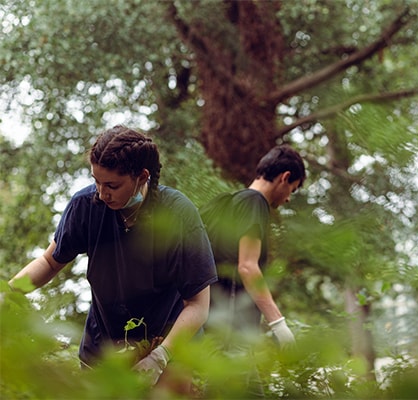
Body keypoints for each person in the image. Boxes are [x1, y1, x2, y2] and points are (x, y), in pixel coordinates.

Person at [9, 126, 218, 391]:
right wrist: (10, 292)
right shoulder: (85, 206)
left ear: (142, 176)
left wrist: (160, 356)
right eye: (96, 181)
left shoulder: (178, 215)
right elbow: (51, 261)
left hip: (167, 346)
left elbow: (198, 304)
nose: (101, 193)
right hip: (103, 349)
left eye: (112, 185)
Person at [201, 144, 306, 395]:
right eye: (293, 189)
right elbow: (248, 267)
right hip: (231, 335)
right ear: (285, 178)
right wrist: (279, 325)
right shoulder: (254, 202)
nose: (289, 197)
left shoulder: (229, 203)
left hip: (222, 331)